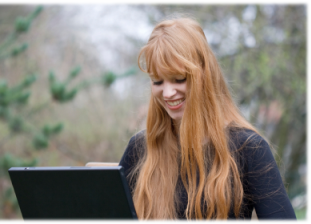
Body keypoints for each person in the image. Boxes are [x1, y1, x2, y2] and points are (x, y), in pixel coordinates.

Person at [119, 18, 297, 224]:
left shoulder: (248, 148)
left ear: (205, 75)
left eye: (179, 79)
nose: (167, 93)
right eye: (157, 81)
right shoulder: (140, 148)